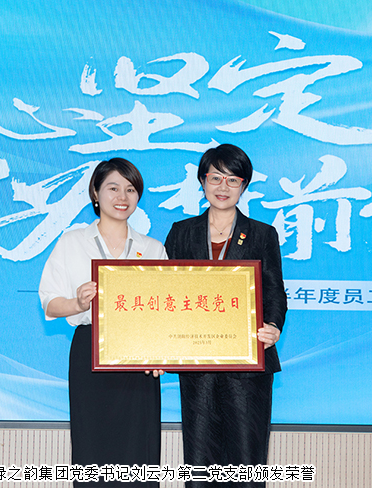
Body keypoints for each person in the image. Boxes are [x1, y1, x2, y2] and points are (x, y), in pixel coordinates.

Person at [164, 144, 287, 487]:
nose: (223, 187)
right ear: (202, 181)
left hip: (247, 364)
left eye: (233, 180)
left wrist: (273, 326)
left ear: (244, 185)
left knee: (247, 463)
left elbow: (274, 291)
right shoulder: (181, 232)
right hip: (197, 365)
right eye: (215, 178)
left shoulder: (262, 234)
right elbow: (166, 293)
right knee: (199, 464)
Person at [39, 158, 167, 486]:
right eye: (113, 188)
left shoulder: (152, 248)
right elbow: (50, 301)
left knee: (139, 451)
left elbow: (164, 314)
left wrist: (160, 354)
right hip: (90, 352)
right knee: (92, 447)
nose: (122, 197)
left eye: (130, 189)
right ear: (95, 193)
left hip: (139, 357)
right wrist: (78, 303)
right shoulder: (72, 242)